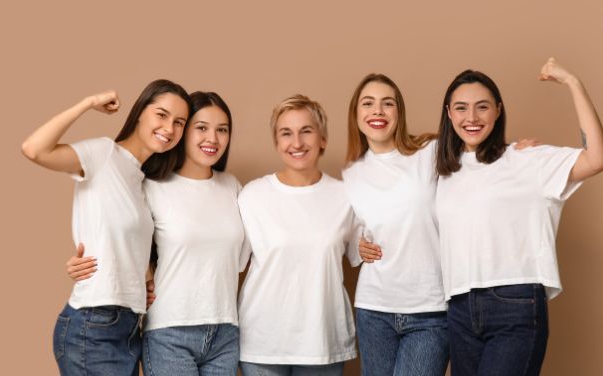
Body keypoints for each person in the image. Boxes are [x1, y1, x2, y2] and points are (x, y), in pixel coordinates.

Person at [434, 58, 603, 375]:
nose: (471, 117)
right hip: (458, 306)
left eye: (482, 107)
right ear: (449, 113)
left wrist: (572, 82)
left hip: (514, 303)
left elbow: (597, 158)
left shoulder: (525, 159)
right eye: (460, 108)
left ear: (498, 110)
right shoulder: (441, 170)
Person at [67, 91, 248, 376]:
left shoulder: (233, 187)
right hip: (169, 331)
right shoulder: (150, 186)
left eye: (222, 130)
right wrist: (87, 261)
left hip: (225, 331)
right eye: (201, 128)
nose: (212, 139)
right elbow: (121, 236)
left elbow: (245, 257)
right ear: (182, 132)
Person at [21, 79, 192, 376]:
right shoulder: (103, 154)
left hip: (128, 327)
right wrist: (88, 103)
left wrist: (143, 281)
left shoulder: (140, 181)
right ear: (140, 113)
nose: (170, 128)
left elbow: (125, 241)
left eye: (180, 122)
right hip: (93, 325)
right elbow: (34, 149)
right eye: (161, 115)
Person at [236, 94, 361, 376]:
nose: (297, 143)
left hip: (323, 342)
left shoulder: (346, 195)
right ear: (277, 142)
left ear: (323, 139)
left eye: (306, 131)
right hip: (262, 342)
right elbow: (230, 261)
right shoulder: (253, 196)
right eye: (286, 133)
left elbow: (365, 256)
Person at [342, 74, 449, 376]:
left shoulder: (430, 152)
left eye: (387, 103)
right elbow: (349, 240)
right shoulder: (351, 173)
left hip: (430, 309)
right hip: (374, 308)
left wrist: (518, 151)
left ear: (398, 113)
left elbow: (479, 164)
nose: (377, 111)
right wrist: (358, 247)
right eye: (368, 103)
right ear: (356, 114)